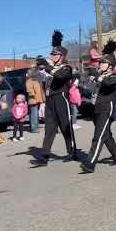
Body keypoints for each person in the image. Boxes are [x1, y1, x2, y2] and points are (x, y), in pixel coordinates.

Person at [34, 30, 77, 166]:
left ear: (61, 56)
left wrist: (46, 67)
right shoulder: (50, 68)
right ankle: (44, 156)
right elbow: (39, 78)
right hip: (50, 100)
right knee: (49, 129)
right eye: (51, 54)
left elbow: (58, 76)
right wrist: (39, 68)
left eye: (54, 54)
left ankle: (72, 152)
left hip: (61, 98)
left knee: (65, 126)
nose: (52, 56)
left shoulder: (66, 68)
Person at [80, 42, 116, 173]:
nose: (100, 65)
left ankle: (90, 163)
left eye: (103, 63)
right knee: (106, 134)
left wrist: (97, 76)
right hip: (96, 107)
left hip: (106, 108)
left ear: (110, 66)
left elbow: (109, 83)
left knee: (98, 136)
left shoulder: (115, 76)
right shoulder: (99, 76)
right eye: (100, 63)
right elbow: (88, 87)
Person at [26, 68, 45, 133]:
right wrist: (33, 95)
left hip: (37, 99)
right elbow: (29, 90)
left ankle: (35, 127)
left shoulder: (36, 81)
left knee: (35, 114)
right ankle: (34, 128)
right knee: (34, 114)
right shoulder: (29, 81)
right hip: (33, 100)